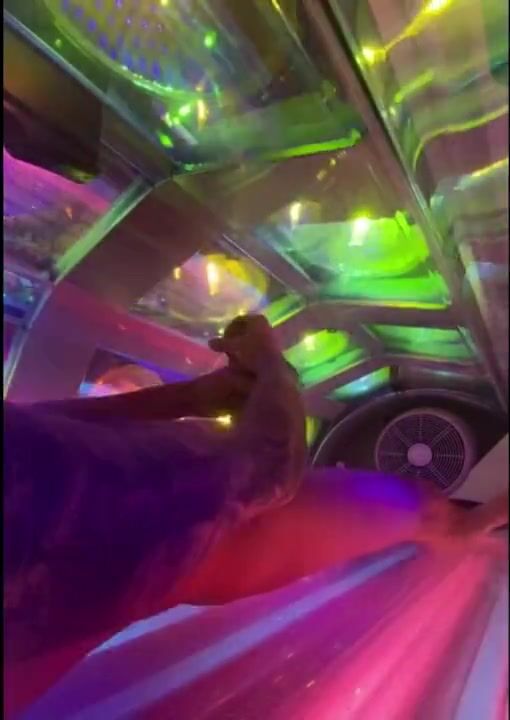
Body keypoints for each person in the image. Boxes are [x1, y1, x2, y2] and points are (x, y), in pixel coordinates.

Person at [4, 314, 505, 715]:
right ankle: (455, 527)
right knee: (410, 509)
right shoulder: (47, 517)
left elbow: (34, 430)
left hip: (169, 549)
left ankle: (453, 527)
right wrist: (272, 366)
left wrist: (188, 396)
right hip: (203, 541)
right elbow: (268, 472)